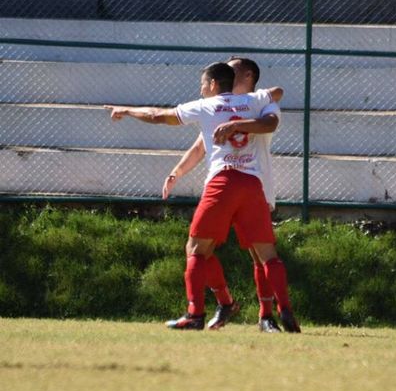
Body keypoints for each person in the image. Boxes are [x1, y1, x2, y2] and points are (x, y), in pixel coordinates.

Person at [105, 62, 301, 332]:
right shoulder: (255, 100)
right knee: (268, 255)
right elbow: (276, 94)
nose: (200, 88)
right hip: (253, 183)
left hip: (222, 182)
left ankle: (195, 313)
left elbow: (157, 115)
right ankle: (285, 311)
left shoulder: (206, 106)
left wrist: (126, 110)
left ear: (211, 85)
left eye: (202, 84)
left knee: (195, 249)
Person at [162, 57, 284, 333]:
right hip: (222, 185)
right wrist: (176, 173)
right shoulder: (217, 108)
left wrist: (236, 124)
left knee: (258, 254)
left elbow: (273, 106)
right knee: (203, 249)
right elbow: (200, 146)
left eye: (235, 66)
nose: (229, 68)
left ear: (249, 75)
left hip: (256, 185)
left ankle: (267, 316)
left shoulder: (258, 102)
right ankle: (224, 303)